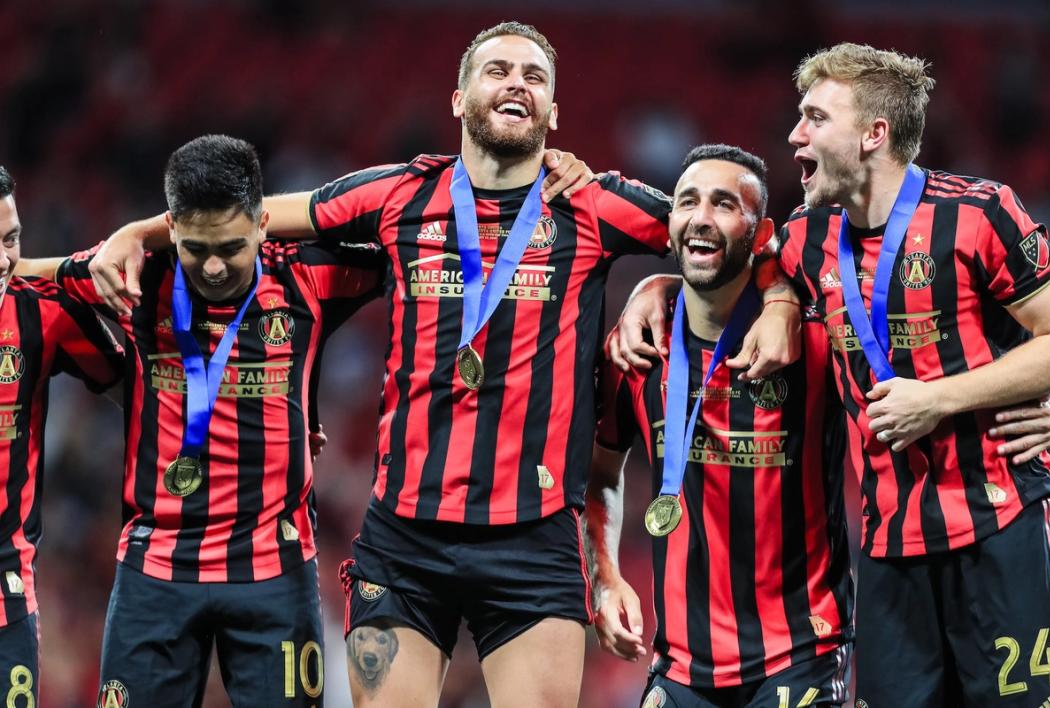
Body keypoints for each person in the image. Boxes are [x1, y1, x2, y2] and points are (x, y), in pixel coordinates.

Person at [84, 22, 802, 707]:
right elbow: (254, 217)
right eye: (497, 70)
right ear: (459, 99)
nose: (516, 82)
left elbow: (729, 242)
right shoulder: (399, 195)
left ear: (555, 110)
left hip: (533, 538)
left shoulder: (593, 202)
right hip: (405, 537)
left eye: (535, 76)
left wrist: (764, 304)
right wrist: (141, 231)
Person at [614, 43, 1050, 707]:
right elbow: (728, 259)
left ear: (873, 134)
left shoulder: (979, 213)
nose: (795, 134)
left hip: (1000, 527)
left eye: (816, 118)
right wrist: (665, 287)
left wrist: (939, 399)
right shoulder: (805, 235)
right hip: (887, 547)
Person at [17, 134, 383, 706]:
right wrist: (136, 237)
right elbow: (26, 275)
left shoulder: (310, 274)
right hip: (156, 566)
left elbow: (405, 230)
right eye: (194, 247)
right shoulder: (136, 275)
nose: (213, 266)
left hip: (274, 570)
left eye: (232, 247)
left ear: (264, 223)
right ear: (173, 229)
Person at [589, 144, 853, 708]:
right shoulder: (636, 350)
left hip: (801, 654)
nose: (701, 217)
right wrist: (605, 574)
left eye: (724, 203)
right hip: (681, 668)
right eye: (687, 202)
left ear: (762, 236)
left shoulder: (811, 341)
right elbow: (601, 474)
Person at [0, 167, 124, 705]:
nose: (5, 259)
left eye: (10, 239)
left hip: (5, 593)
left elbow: (142, 389)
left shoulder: (41, 311)